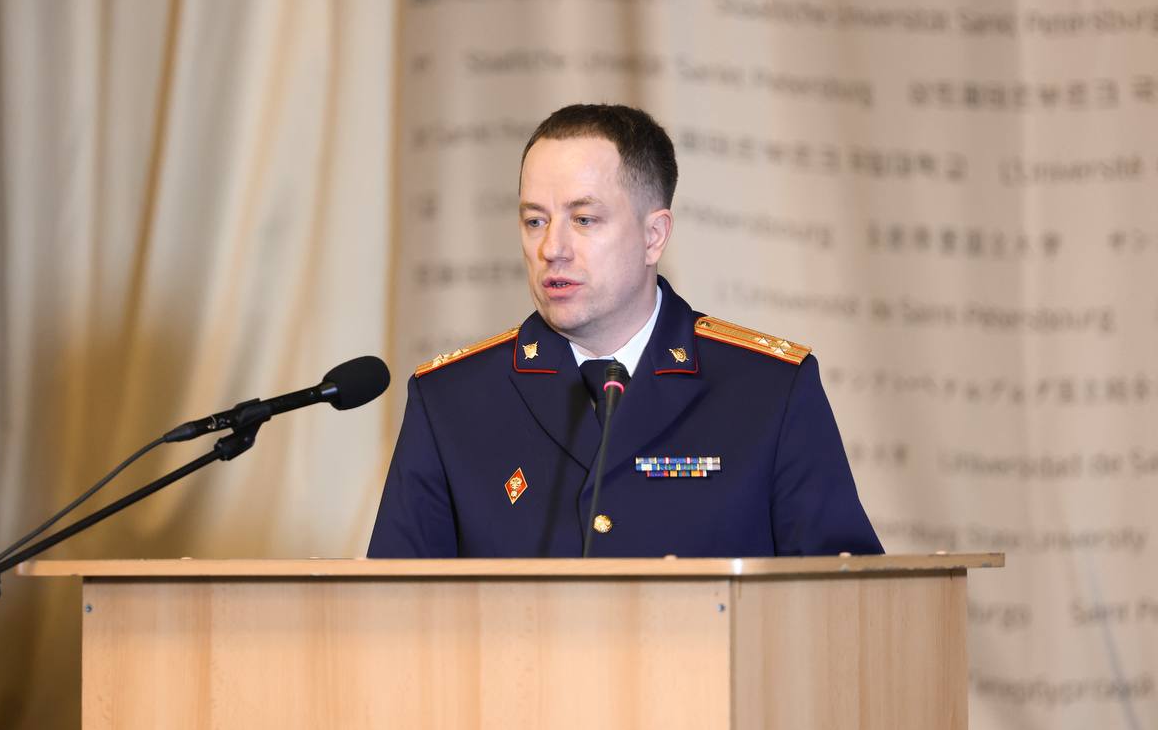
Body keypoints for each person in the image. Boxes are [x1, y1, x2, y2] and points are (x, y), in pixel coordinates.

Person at [368, 103, 881, 558]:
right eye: (535, 221)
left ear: (654, 236)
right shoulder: (452, 401)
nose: (552, 249)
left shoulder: (768, 389)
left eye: (584, 220)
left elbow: (845, 602)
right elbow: (393, 613)